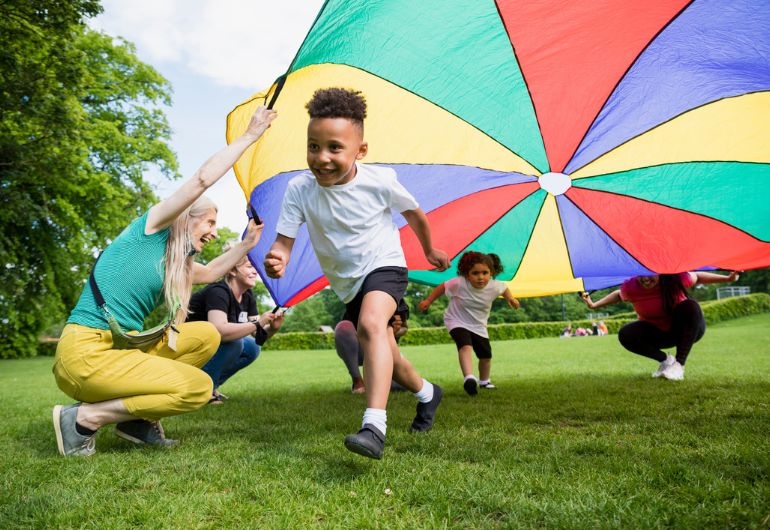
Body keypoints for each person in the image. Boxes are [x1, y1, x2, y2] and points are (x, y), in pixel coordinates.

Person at [51, 105, 278, 457]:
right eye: (210, 224)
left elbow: (213, 272)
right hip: (84, 356)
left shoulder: (175, 263)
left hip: (118, 350)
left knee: (205, 335)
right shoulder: (151, 230)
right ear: (187, 218)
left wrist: (248, 244)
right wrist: (250, 136)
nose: (215, 234)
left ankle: (135, 422)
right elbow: (202, 179)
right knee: (198, 388)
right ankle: (84, 418)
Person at [263, 87, 450, 460]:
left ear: (360, 151)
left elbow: (414, 214)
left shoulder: (379, 181)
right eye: (313, 146)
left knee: (370, 326)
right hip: (348, 283)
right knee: (388, 355)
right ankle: (428, 394)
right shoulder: (300, 189)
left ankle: (374, 426)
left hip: (384, 264)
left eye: (335, 147)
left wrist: (429, 249)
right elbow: (283, 241)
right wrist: (277, 257)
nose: (322, 157)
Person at [580, 270, 740, 380]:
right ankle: (666, 360)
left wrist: (727, 279)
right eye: (641, 275)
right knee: (625, 333)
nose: (646, 278)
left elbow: (697, 276)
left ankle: (679, 365)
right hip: (657, 334)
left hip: (685, 331)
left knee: (690, 306)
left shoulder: (675, 278)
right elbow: (618, 295)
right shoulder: (631, 286)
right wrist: (594, 305)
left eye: (651, 274)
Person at [187, 244, 285, 404]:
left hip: (209, 345)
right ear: (232, 271)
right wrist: (258, 323)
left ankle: (210, 386)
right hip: (188, 345)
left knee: (252, 347)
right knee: (235, 343)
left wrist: (272, 328)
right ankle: (199, 389)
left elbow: (257, 336)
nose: (255, 271)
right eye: (249, 267)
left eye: (256, 267)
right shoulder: (218, 292)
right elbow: (219, 331)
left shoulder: (247, 296)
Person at [418, 251, 520, 396]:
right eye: (475, 273)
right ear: (467, 274)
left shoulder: (495, 286)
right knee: (465, 346)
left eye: (485, 273)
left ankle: (484, 381)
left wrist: (511, 299)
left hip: (479, 325)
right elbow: (442, 287)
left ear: (491, 273)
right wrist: (428, 300)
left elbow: (504, 289)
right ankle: (469, 378)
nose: (481, 277)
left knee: (485, 355)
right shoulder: (459, 283)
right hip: (456, 320)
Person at [335, 303, 409, 394]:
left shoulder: (398, 300)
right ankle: (357, 381)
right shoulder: (355, 298)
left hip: (384, 351)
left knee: (400, 384)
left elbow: (404, 328)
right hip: (361, 348)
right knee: (343, 326)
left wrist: (394, 331)